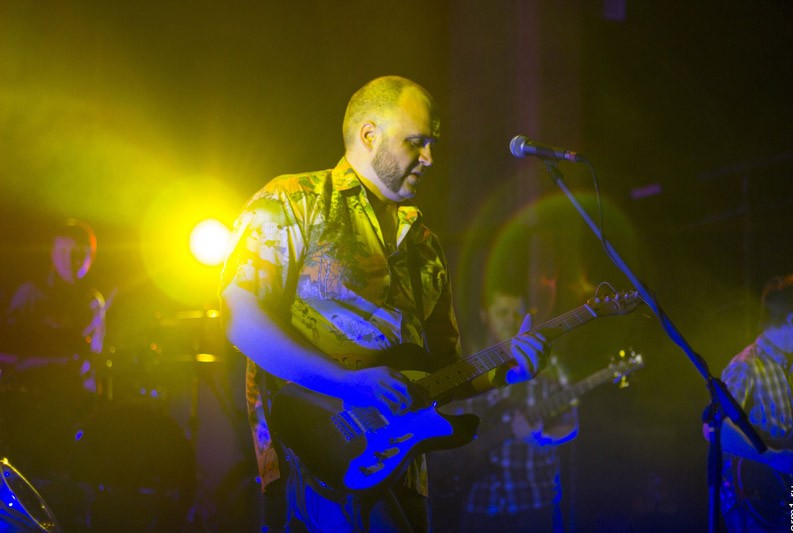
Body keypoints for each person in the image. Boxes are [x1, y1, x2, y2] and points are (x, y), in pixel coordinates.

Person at [220, 75, 550, 532]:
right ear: (369, 134)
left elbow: (443, 373)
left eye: (432, 144)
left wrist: (508, 370)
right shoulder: (295, 201)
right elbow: (241, 321)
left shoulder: (425, 246)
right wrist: (347, 384)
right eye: (417, 142)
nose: (430, 158)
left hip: (402, 466)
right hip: (316, 457)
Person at [433, 286, 578, 533]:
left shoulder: (550, 365)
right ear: (484, 315)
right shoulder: (466, 367)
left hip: (534, 500)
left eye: (517, 314)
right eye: (502, 312)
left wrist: (541, 439)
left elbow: (571, 425)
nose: (511, 320)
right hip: (479, 501)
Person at [1, 219, 110, 478]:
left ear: (90, 257)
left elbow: (93, 358)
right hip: (27, 400)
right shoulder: (30, 294)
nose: (72, 260)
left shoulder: (91, 302)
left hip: (70, 403)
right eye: (64, 252)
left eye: (80, 253)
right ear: (52, 253)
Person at [703, 273, 793, 533]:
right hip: (755, 505)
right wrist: (772, 458)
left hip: (785, 498)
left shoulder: (789, 366)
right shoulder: (746, 366)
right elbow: (716, 430)